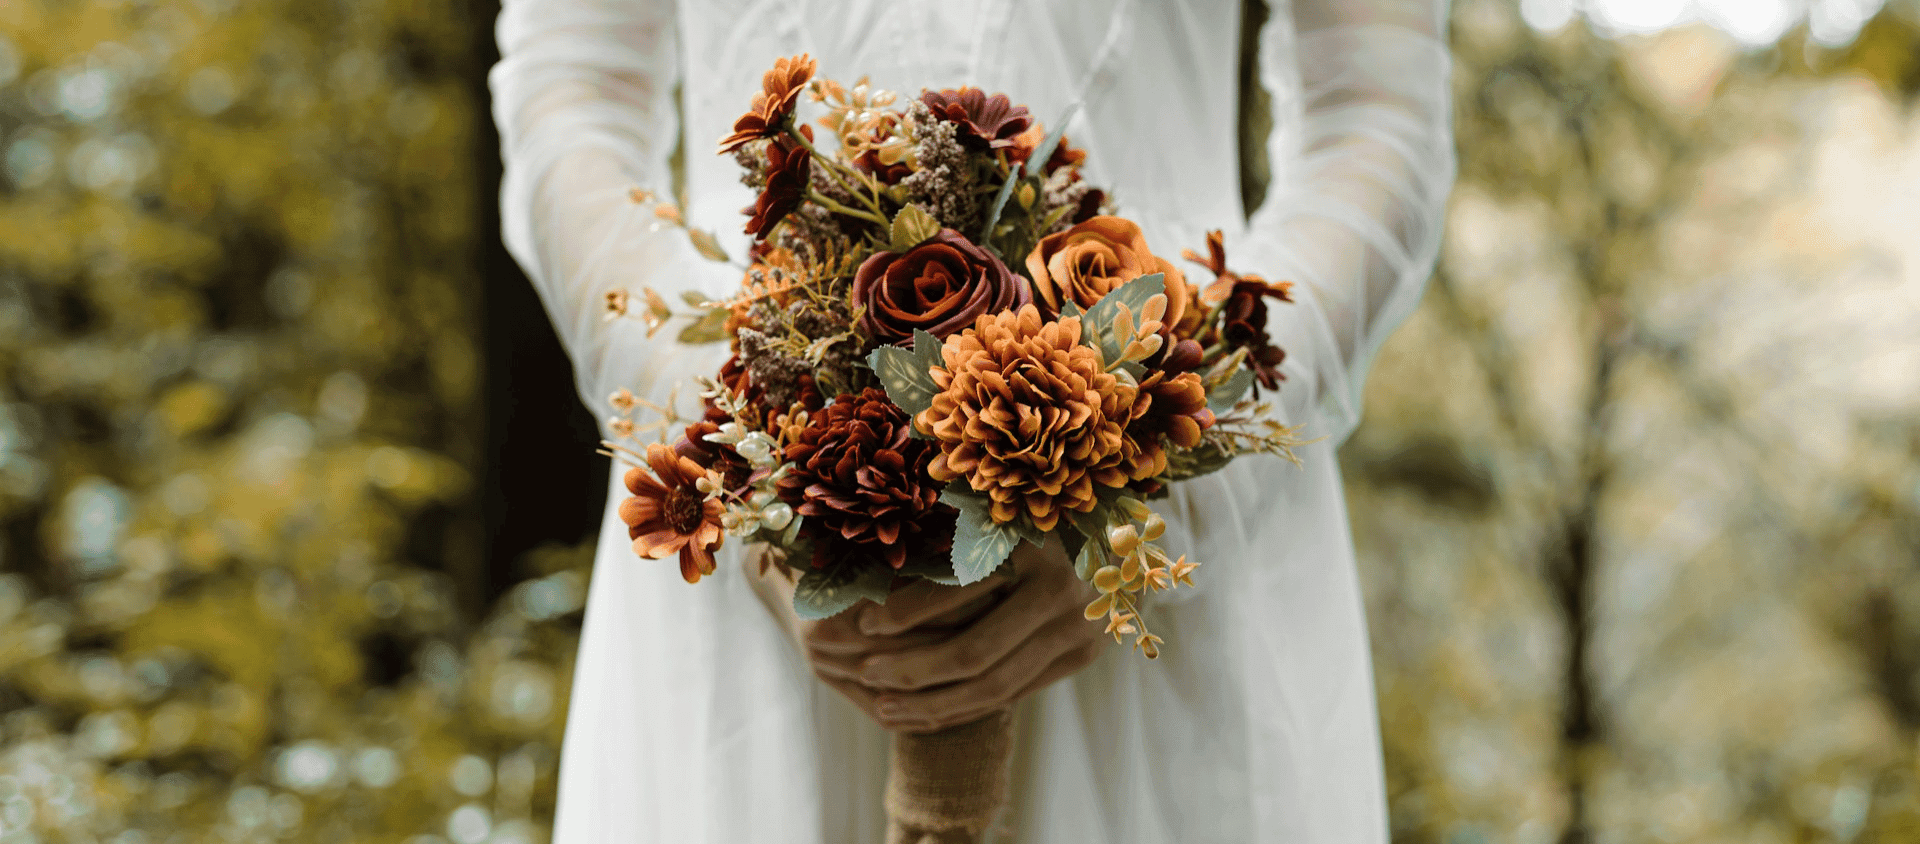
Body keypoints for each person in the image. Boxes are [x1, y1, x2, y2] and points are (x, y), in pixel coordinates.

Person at [490, 0, 1454, 840]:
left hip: (1168, 524)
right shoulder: (743, 466)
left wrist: (1158, 469)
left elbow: (1374, 114)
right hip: (746, 552)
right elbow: (571, 97)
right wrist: (749, 477)